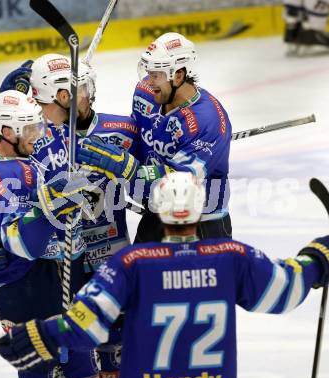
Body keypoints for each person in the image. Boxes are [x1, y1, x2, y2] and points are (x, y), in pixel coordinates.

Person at [0, 171, 329, 378]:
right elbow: (284, 289)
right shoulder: (231, 258)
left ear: (158, 211)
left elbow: (86, 324)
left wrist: (41, 335)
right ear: (200, 209)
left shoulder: (131, 263)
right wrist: (317, 261)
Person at [0, 89, 99, 378]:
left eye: (39, 125)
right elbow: (22, 244)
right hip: (25, 285)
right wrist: (55, 203)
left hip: (43, 278)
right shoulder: (15, 177)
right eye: (32, 129)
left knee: (83, 364)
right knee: (54, 371)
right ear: (7, 132)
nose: (39, 135)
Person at [76, 32, 232, 243]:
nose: (149, 81)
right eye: (148, 72)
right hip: (156, 213)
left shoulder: (208, 121)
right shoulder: (146, 93)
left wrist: (126, 167)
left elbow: (179, 187)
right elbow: (136, 135)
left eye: (156, 75)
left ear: (178, 75)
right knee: (139, 274)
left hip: (201, 223)